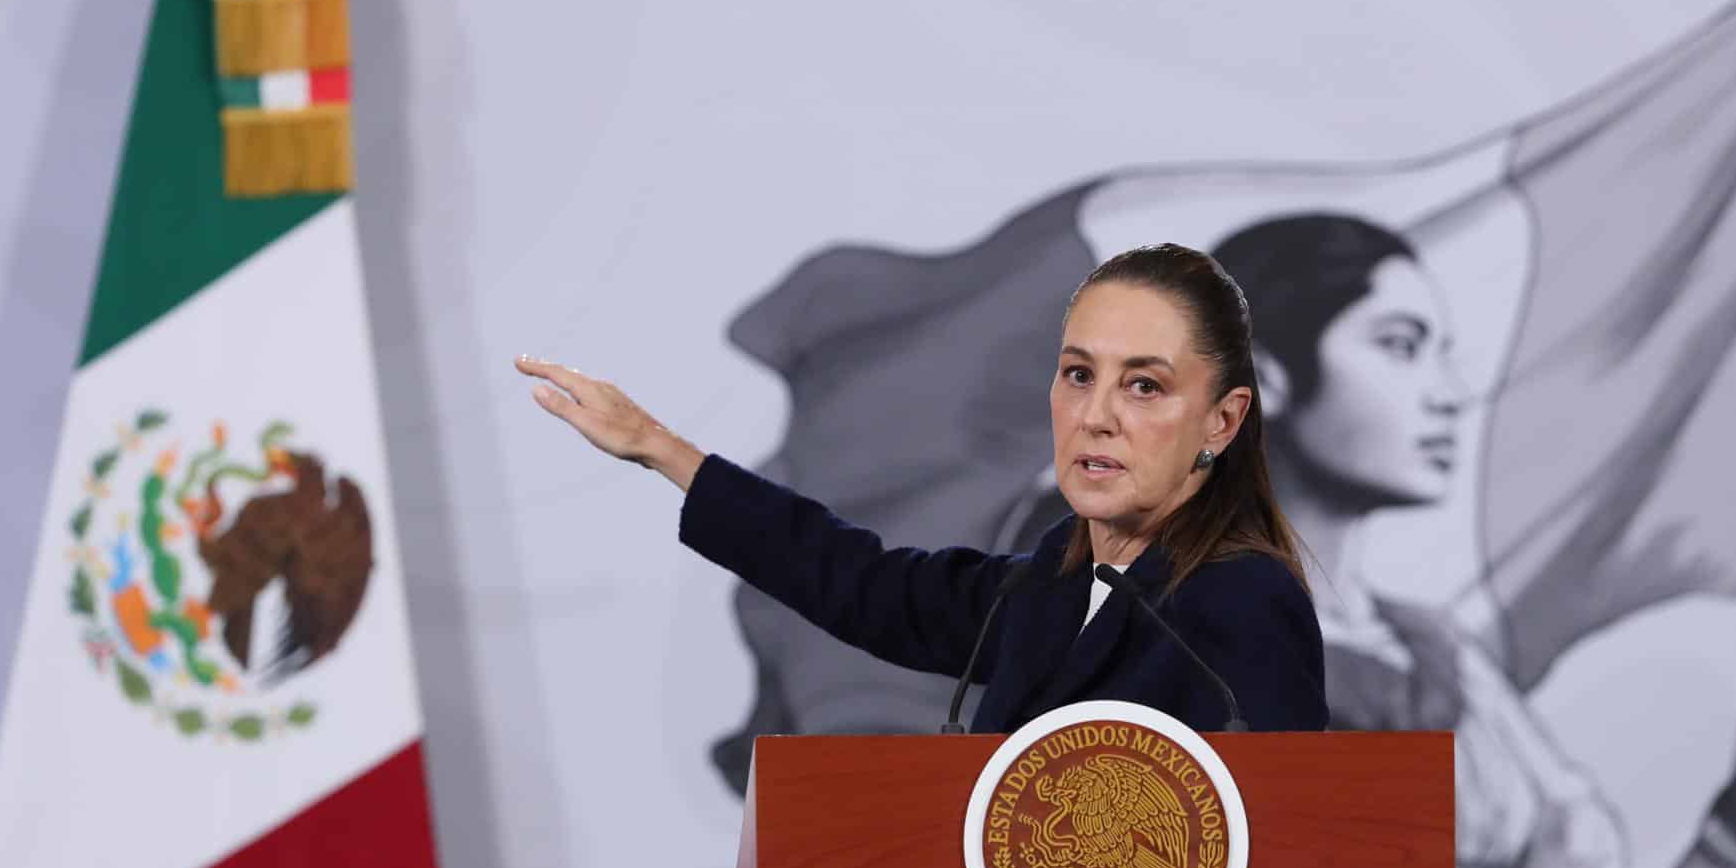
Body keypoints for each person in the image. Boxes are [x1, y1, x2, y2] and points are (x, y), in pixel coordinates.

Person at [1208, 212, 1736, 868]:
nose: (1446, 392)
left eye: (1442, 353)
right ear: (1265, 381)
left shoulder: (1442, 665)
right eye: (1400, 346)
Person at [515, 243, 1327, 736]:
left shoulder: (1241, 599)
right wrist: (661, 449)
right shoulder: (1044, 589)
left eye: (1144, 386)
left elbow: (1285, 856)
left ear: (1222, 420)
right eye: (1079, 375)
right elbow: (858, 580)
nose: (1096, 416)